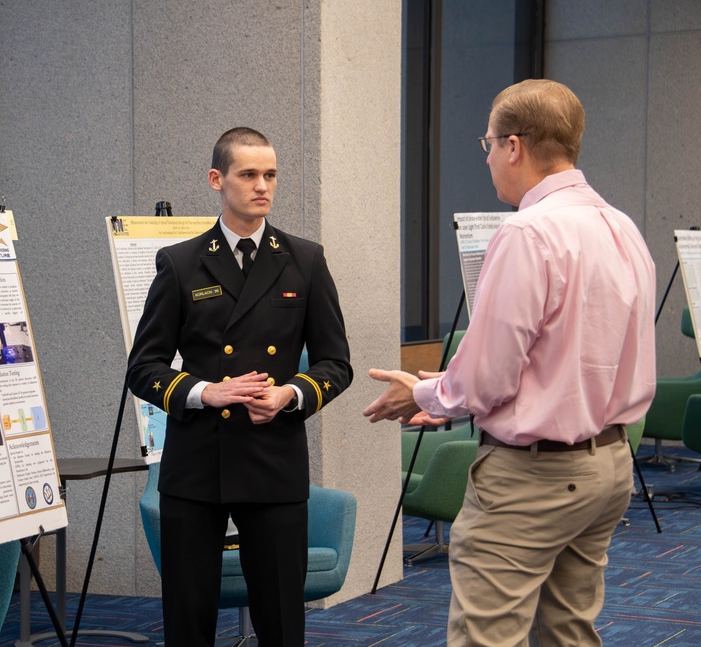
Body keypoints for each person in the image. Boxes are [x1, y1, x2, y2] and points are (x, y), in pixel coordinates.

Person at [362, 79, 656, 646]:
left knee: (485, 639)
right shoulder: (622, 225)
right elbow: (564, 360)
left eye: (489, 144)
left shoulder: (527, 232)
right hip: (610, 464)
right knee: (569, 633)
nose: (490, 156)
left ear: (515, 146)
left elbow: (490, 376)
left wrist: (425, 395)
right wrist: (453, 386)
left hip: (534, 479)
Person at [128, 127, 352, 646]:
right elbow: (144, 367)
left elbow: (335, 364)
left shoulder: (305, 260)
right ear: (216, 180)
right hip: (197, 465)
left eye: (270, 174)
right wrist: (207, 392)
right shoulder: (181, 263)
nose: (262, 186)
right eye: (248, 174)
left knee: (280, 619)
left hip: (273, 460)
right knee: (188, 619)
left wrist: (288, 395)